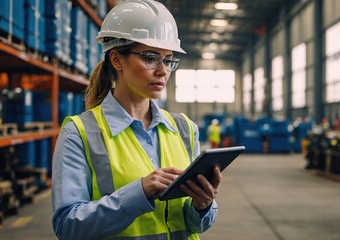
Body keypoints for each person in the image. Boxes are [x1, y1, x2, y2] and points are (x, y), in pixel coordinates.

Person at [51, 1, 222, 239]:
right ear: (117, 60)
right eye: (151, 58)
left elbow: (194, 224)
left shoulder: (184, 128)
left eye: (168, 59)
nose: (163, 70)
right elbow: (68, 226)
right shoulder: (80, 133)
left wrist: (203, 206)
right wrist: (139, 192)